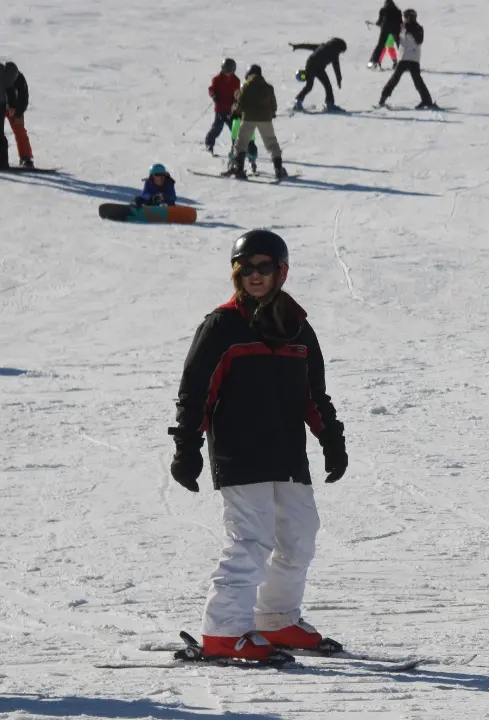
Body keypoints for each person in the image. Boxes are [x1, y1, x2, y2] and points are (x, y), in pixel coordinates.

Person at [168, 230, 348, 662]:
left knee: (299, 538)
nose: (254, 275)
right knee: (251, 540)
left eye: (263, 267)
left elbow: (314, 394)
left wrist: (331, 439)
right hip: (240, 452)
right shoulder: (222, 326)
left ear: (281, 271)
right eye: (245, 268)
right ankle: (224, 631)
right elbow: (196, 393)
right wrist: (187, 448)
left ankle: (277, 619)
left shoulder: (297, 328)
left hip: (287, 453)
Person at [227, 65, 287, 181]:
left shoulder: (246, 86)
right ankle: (278, 169)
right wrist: (272, 113)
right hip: (265, 119)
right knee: (272, 143)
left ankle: (239, 169)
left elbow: (240, 102)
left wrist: (235, 112)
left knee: (241, 143)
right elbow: (273, 104)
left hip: (248, 118)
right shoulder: (268, 87)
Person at [378, 8, 436, 109]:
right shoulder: (419, 28)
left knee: (394, 79)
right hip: (415, 58)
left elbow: (396, 37)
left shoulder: (403, 27)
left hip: (404, 57)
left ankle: (382, 99)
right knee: (418, 81)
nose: (404, 19)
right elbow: (419, 41)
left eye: (405, 17)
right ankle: (427, 101)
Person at [290, 38, 348, 112]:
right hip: (312, 66)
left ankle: (298, 102)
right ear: (338, 48)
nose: (340, 53)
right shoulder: (334, 53)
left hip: (316, 67)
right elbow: (336, 67)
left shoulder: (323, 46)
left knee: (313, 86)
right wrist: (339, 79)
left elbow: (308, 46)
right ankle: (329, 105)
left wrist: (297, 46)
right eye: (341, 51)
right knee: (321, 86)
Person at [1, 61, 33, 169]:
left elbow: (23, 96)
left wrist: (18, 112)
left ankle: (26, 158)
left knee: (19, 131)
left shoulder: (19, 79)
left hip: (15, 109)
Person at [206, 59, 241, 154]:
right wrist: (214, 95)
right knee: (217, 128)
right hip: (220, 108)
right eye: (226, 71)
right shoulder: (216, 79)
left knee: (234, 129)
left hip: (231, 109)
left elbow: (237, 93)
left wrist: (236, 100)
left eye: (230, 71)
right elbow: (211, 89)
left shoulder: (236, 80)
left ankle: (236, 147)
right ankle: (209, 144)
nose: (228, 73)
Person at [369, 0, 402, 69]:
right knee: (400, 45)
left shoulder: (383, 10)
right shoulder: (398, 11)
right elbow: (400, 22)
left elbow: (379, 21)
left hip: (386, 28)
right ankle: (406, 63)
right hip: (396, 29)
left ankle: (373, 63)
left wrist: (378, 24)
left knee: (380, 45)